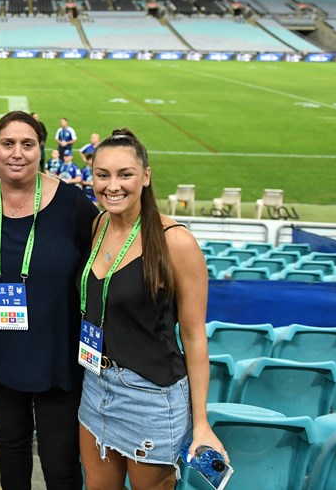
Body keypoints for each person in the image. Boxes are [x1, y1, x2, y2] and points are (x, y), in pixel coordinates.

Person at [77, 129, 226, 490]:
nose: (113, 186)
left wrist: (201, 421)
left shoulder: (176, 242)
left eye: (125, 174)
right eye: (103, 175)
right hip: (96, 387)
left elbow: (193, 335)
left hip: (151, 398)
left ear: (146, 176)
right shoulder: (98, 224)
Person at [0, 111, 98, 489]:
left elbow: (106, 262)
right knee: (10, 450)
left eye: (28, 144)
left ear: (42, 150)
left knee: (59, 462)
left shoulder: (73, 204)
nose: (17, 153)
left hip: (56, 357)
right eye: (8, 143)